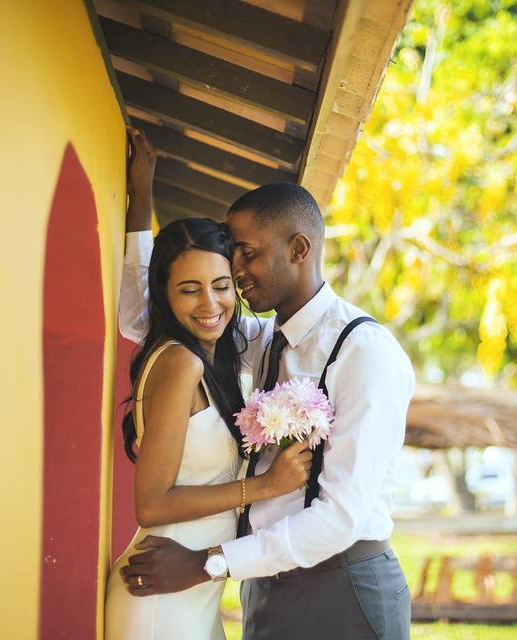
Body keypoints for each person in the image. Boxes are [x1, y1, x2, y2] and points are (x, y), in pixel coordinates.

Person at [117, 134, 415, 640]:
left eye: (248, 254)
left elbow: (340, 516)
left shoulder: (364, 352)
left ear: (299, 249)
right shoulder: (258, 338)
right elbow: (147, 315)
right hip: (263, 588)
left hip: (342, 587)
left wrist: (209, 565)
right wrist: (140, 206)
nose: (235, 270)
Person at [104, 128, 312, 640]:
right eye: (188, 290)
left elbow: (134, 304)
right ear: (167, 297)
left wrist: (142, 200)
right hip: (159, 598)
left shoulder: (222, 351)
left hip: (194, 596)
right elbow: (150, 504)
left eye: (221, 287)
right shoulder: (181, 363)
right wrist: (263, 487)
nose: (209, 304)